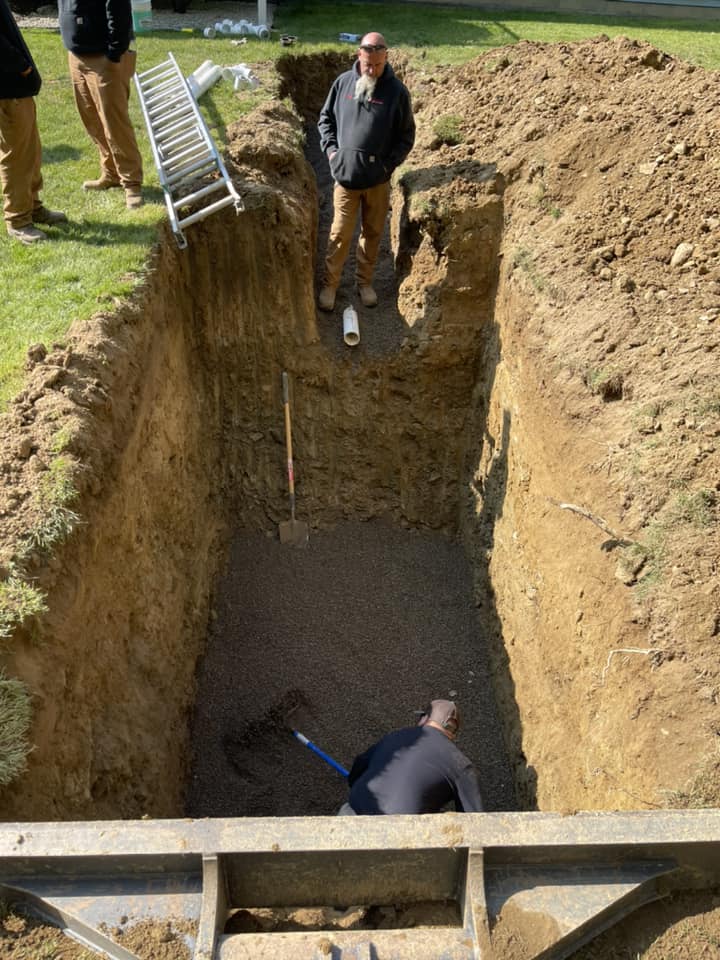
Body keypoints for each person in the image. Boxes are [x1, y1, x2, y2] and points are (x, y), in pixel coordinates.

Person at [317, 31, 415, 312]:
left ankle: (364, 282)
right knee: (339, 233)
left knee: (372, 232)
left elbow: (406, 136)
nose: (371, 70)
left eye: (377, 65)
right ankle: (331, 285)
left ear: (386, 59)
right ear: (359, 56)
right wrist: (332, 153)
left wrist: (387, 166)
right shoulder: (343, 84)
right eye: (367, 64)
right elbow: (325, 120)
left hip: (377, 182)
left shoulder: (397, 92)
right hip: (345, 178)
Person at [58, 0, 143, 209]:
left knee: (115, 124)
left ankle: (132, 183)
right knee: (92, 120)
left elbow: (118, 7)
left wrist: (115, 51)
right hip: (77, 55)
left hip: (103, 58)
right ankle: (111, 173)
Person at [338, 699, 484, 815]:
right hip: (403, 837)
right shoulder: (461, 764)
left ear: (425, 718)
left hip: (352, 817)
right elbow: (473, 821)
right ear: (452, 733)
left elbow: (358, 768)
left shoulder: (395, 737)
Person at [0, 0, 67, 244]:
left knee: (31, 150)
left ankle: (33, 207)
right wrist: (22, 67)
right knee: (16, 155)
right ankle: (18, 220)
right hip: (8, 87)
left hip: (16, 86)